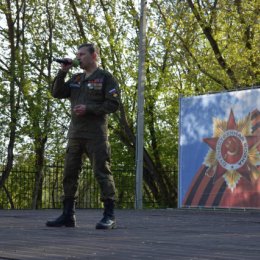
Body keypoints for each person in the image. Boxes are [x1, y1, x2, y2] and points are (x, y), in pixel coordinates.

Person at [46, 43, 120, 229]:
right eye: (77, 54)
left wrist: (89, 109)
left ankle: (109, 215)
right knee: (69, 173)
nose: (78, 57)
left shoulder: (105, 78)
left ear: (94, 56)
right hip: (75, 134)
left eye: (82, 54)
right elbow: (57, 93)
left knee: (102, 172)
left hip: (96, 135)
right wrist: (62, 72)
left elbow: (113, 104)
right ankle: (67, 215)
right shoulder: (76, 78)